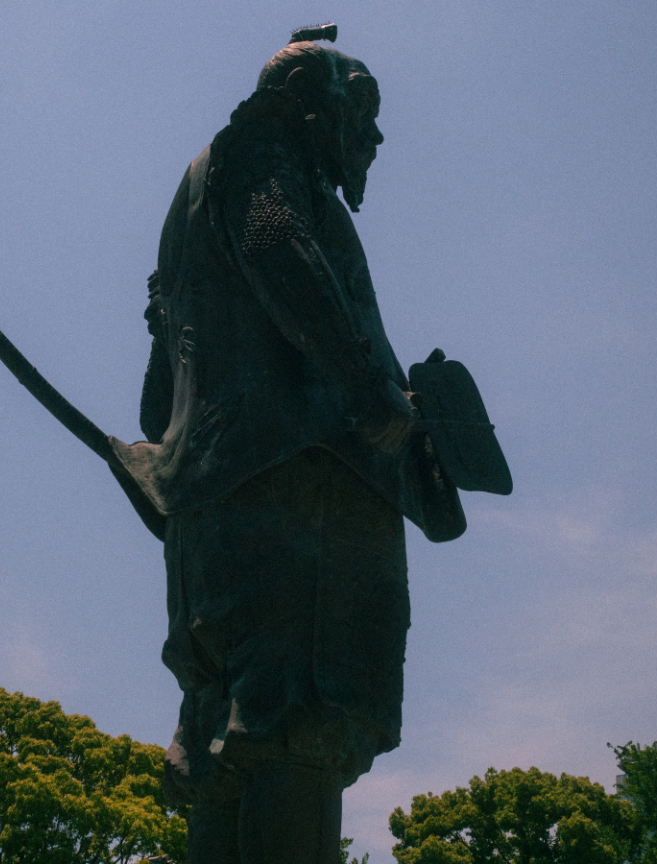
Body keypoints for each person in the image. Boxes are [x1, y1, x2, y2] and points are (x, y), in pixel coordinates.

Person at [110, 28, 467, 864]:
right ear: (309, 104)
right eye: (363, 109)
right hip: (305, 488)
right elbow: (278, 244)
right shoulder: (267, 156)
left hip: (208, 510)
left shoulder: (192, 198)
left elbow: (159, 399)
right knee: (306, 720)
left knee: (222, 743)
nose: (374, 135)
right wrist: (367, 386)